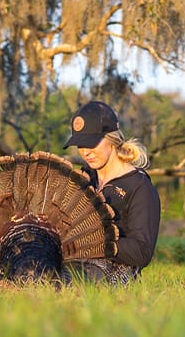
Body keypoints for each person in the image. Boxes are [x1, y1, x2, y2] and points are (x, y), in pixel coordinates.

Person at [63, 100, 160, 283]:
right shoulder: (86, 177)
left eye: (91, 144)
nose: (85, 152)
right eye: (80, 145)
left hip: (115, 273)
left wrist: (95, 241)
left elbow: (142, 252)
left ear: (111, 139)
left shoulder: (139, 186)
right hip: (74, 262)